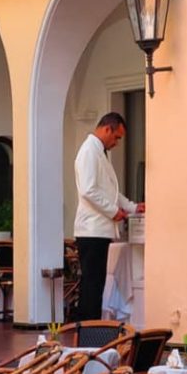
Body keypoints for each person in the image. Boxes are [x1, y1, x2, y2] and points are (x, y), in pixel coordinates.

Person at [70, 112, 141, 322]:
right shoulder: (89, 152)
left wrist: (133, 207)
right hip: (91, 230)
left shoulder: (99, 152)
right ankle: (88, 331)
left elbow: (110, 192)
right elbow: (88, 190)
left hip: (99, 230)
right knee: (92, 284)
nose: (117, 142)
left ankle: (91, 328)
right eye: (117, 137)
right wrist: (114, 212)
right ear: (107, 129)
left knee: (96, 283)